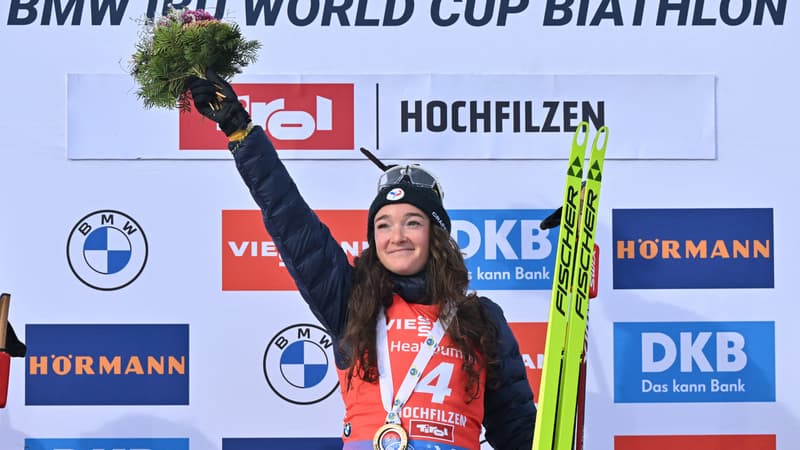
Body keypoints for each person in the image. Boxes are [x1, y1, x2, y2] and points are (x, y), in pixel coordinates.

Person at [186, 70, 536, 450]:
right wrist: (241, 132)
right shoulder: (354, 301)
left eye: (412, 222)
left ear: (436, 236)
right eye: (383, 225)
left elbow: (517, 431)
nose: (396, 236)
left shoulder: (481, 318)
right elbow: (291, 218)